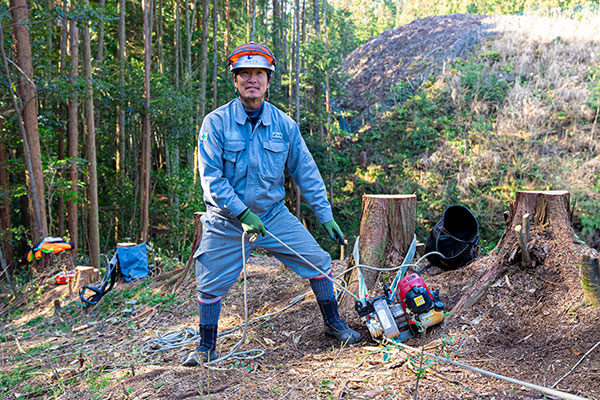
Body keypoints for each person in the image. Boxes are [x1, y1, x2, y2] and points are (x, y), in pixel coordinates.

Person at [183, 42, 360, 366]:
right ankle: (206, 346)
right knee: (208, 284)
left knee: (319, 261)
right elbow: (212, 179)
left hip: (273, 215)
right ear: (235, 80)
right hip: (227, 221)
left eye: (259, 74)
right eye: (245, 74)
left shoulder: (285, 126)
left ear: (268, 80)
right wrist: (242, 213)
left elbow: (305, 171)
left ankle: (334, 324)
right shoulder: (215, 123)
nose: (252, 79)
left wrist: (325, 216)